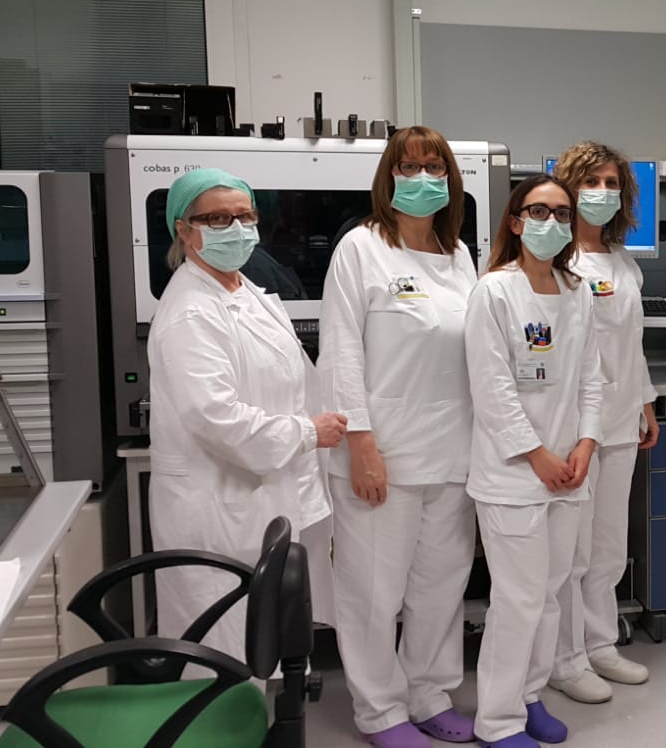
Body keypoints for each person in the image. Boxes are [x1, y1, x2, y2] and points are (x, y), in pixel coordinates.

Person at [147, 168, 345, 670]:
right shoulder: (191, 312)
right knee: (221, 650)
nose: (235, 229)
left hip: (261, 497)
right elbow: (215, 416)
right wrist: (307, 432)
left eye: (244, 216)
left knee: (260, 641)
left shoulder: (245, 291)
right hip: (217, 507)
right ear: (183, 230)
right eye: (216, 219)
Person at [320, 126, 479, 748]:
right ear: (388, 178)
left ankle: (429, 693)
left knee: (441, 585)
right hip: (381, 451)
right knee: (372, 591)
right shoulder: (361, 248)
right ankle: (380, 710)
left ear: (450, 180)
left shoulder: (458, 254)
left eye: (434, 168)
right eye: (408, 168)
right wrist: (361, 445)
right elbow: (340, 354)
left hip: (453, 449)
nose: (422, 179)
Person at [466, 174, 604, 748]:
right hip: (513, 473)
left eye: (563, 213)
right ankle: (497, 720)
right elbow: (492, 388)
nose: (552, 222)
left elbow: (592, 377)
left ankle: (529, 695)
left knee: (550, 595)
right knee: (518, 599)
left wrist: (586, 443)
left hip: (568, 469)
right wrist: (537, 454)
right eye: (539, 211)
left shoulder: (577, 290)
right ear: (516, 221)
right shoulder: (494, 291)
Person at [547, 142, 659, 704]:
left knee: (610, 544)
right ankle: (563, 660)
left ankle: (600, 644)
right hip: (573, 427)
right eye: (591, 182)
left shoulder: (622, 261)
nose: (602, 192)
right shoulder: (555, 261)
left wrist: (645, 402)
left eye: (612, 183)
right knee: (572, 550)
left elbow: (630, 344)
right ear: (568, 188)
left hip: (620, 421)